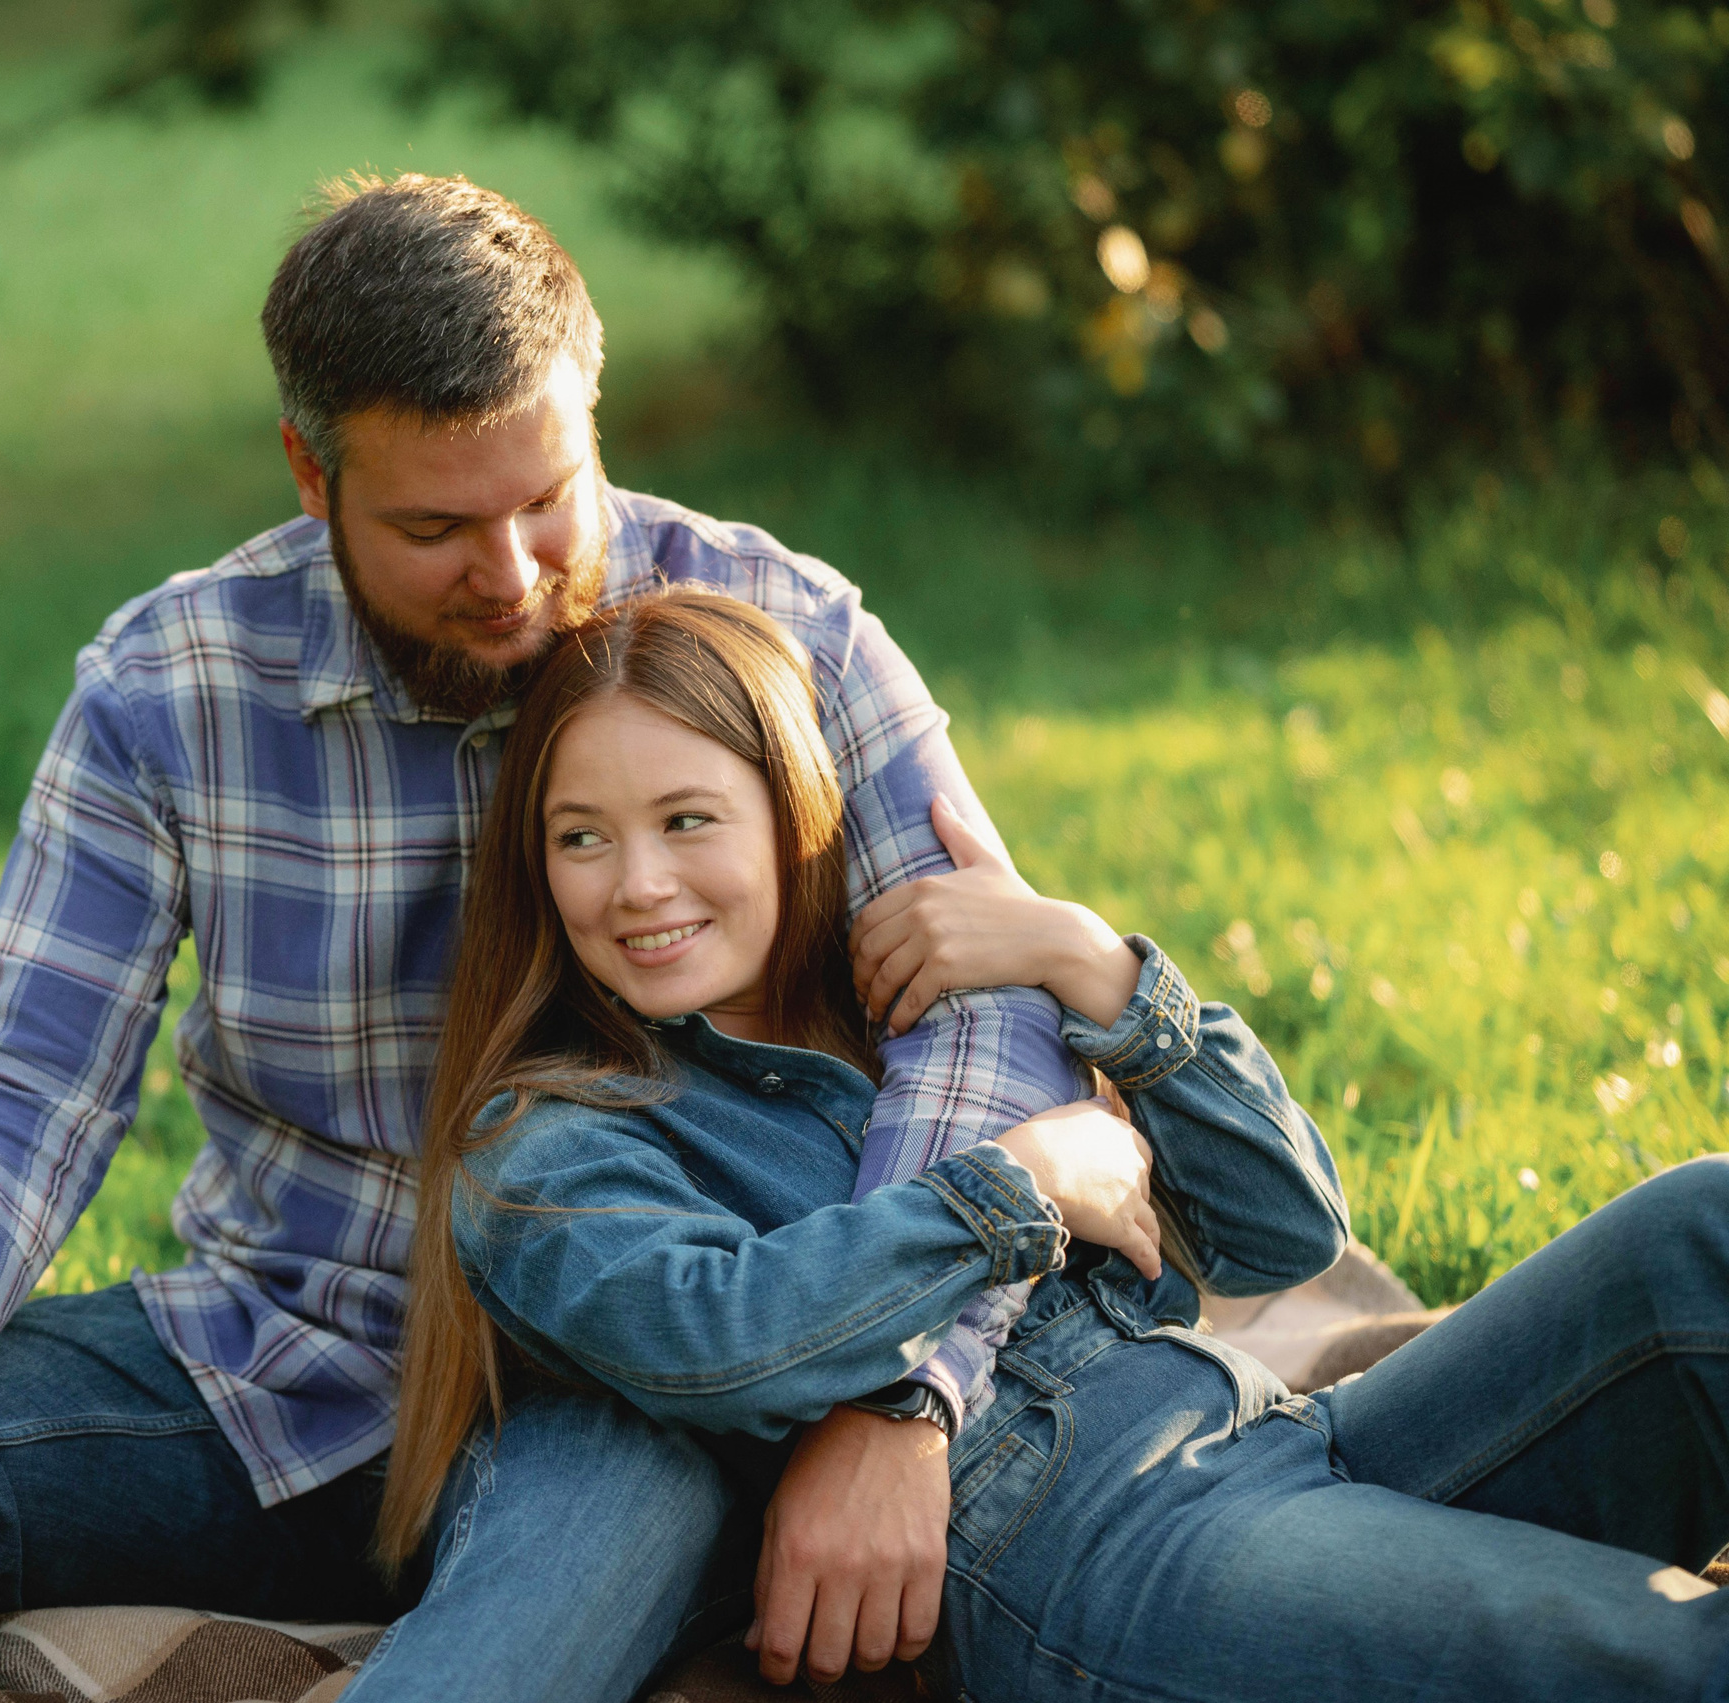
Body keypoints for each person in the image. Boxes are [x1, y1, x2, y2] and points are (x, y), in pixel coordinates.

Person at [0, 174, 1093, 1702]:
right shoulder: (170, 684)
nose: (518, 577)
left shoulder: (785, 629)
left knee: (576, 1564)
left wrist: (902, 1395)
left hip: (628, 1392)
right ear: (307, 473)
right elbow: (19, 1072)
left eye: (550, 498)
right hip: (277, 1349)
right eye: (435, 527)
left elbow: (983, 1007)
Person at [375, 585, 1729, 1701]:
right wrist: (1027, 1182)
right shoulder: (547, 1133)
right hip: (1094, 1549)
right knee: (1667, 1653)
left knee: (1700, 1233)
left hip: (1273, 1432)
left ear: (793, 814)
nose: (639, 883)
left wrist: (1093, 965)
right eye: (581, 837)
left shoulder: (921, 1019)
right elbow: (721, 1331)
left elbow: (1286, 1226)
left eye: (687, 818)